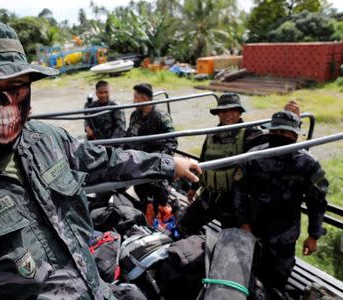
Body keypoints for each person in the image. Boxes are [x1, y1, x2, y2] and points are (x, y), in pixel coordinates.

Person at [0, 19, 201, 299]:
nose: (4, 104)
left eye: (16, 87)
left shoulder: (44, 139)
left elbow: (102, 159)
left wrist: (168, 164)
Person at [233, 110, 328, 298]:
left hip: (284, 236)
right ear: (269, 132)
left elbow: (316, 202)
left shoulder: (307, 164)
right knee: (247, 278)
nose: (280, 136)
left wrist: (313, 235)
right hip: (253, 231)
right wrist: (243, 224)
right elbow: (239, 192)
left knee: (277, 283)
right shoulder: (253, 157)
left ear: (295, 136)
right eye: (276, 132)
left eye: (285, 133)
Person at [178, 93, 266, 235]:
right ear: (218, 114)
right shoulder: (212, 134)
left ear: (239, 112)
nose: (228, 114)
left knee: (230, 241)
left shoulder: (251, 133)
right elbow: (203, 162)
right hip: (210, 195)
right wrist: (194, 187)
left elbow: (271, 147)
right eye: (223, 111)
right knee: (184, 225)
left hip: (234, 201)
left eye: (233, 110)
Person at [125, 83, 178, 219]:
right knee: (142, 196)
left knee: (161, 200)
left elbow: (172, 141)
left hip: (156, 166)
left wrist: (159, 161)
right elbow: (129, 137)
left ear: (143, 99)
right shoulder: (135, 115)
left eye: (135, 98)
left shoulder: (161, 117)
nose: (133, 101)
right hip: (139, 164)